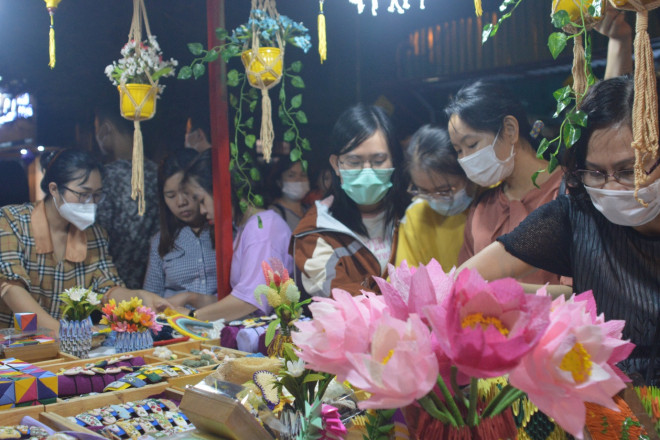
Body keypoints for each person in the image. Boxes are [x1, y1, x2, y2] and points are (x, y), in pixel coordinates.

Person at [459, 76, 660, 384]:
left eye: (627, 170)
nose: (611, 186)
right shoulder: (578, 215)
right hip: (608, 407)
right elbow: (466, 278)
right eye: (595, 172)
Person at [0, 149, 169, 333]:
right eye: (83, 194)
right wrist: (61, 332)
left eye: (96, 195)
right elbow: (11, 289)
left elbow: (107, 289)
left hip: (65, 350)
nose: (90, 203)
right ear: (54, 189)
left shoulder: (94, 235)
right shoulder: (10, 222)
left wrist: (139, 298)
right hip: (12, 346)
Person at [445, 81, 565, 286]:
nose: (465, 158)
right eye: (458, 150)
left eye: (472, 144)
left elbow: (580, 292)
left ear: (510, 130)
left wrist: (502, 291)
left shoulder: (566, 192)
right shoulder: (482, 207)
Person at [292, 104, 410, 297]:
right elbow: (341, 298)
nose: (367, 172)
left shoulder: (412, 215)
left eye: (378, 161)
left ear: (394, 161)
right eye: (355, 162)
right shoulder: (315, 231)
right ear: (336, 165)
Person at [167, 149, 293, 321]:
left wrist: (192, 316)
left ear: (222, 191)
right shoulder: (246, 227)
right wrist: (191, 298)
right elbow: (239, 300)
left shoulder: (262, 228)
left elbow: (249, 302)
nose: (202, 211)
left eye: (202, 200)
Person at [94, 107, 159, 289]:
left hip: (111, 288)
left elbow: (98, 238)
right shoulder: (161, 175)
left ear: (106, 129)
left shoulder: (106, 178)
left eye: (96, 129)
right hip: (152, 288)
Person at [396, 125, 476, 269]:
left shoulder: (496, 200)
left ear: (467, 174)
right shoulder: (416, 216)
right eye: (423, 191)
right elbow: (406, 279)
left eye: (444, 191)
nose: (434, 198)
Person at [143, 149, 217, 300]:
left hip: (220, 319)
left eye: (186, 192)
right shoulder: (160, 241)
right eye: (171, 195)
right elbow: (152, 296)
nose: (181, 202)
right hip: (175, 321)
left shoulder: (228, 232)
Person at [266, 156, 310, 232]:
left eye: (303, 175)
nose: (298, 180)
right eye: (291, 175)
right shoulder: (273, 213)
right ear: (279, 182)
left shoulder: (310, 210)